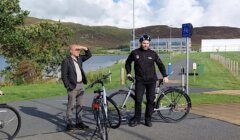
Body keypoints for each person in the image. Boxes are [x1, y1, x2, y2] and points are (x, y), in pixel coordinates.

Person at [125, 34, 169, 127]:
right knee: (138, 100)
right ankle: (136, 119)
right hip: (140, 81)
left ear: (149, 44)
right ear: (140, 43)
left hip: (151, 81)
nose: (145, 45)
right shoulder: (134, 53)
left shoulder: (153, 53)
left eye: (147, 43)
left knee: (150, 100)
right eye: (144, 43)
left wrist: (165, 75)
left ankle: (147, 119)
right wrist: (128, 72)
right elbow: (128, 63)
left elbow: (160, 64)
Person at [61, 44, 92, 131]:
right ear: (71, 51)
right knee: (71, 105)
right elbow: (64, 75)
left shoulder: (80, 59)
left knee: (80, 105)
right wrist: (68, 86)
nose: (78, 51)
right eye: (76, 50)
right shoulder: (66, 61)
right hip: (72, 86)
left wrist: (84, 47)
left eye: (79, 50)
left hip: (81, 85)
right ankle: (69, 123)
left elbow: (89, 55)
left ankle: (79, 122)